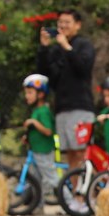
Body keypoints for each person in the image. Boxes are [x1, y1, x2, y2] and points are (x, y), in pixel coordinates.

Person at [36, 9, 96, 173]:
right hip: (62, 107)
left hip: (80, 106)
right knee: (70, 154)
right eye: (60, 22)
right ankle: (75, 186)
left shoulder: (84, 45)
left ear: (77, 25)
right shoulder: (56, 50)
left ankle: (88, 185)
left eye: (67, 22)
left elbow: (83, 68)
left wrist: (67, 47)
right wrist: (44, 48)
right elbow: (44, 74)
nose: (63, 26)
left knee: (81, 151)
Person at [21, 73, 56, 210]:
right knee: (36, 180)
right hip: (35, 150)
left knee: (51, 178)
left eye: (30, 93)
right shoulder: (35, 111)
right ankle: (37, 204)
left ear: (40, 94)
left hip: (43, 150)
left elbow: (48, 131)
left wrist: (34, 123)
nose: (27, 96)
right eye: (26, 93)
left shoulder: (43, 111)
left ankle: (68, 201)